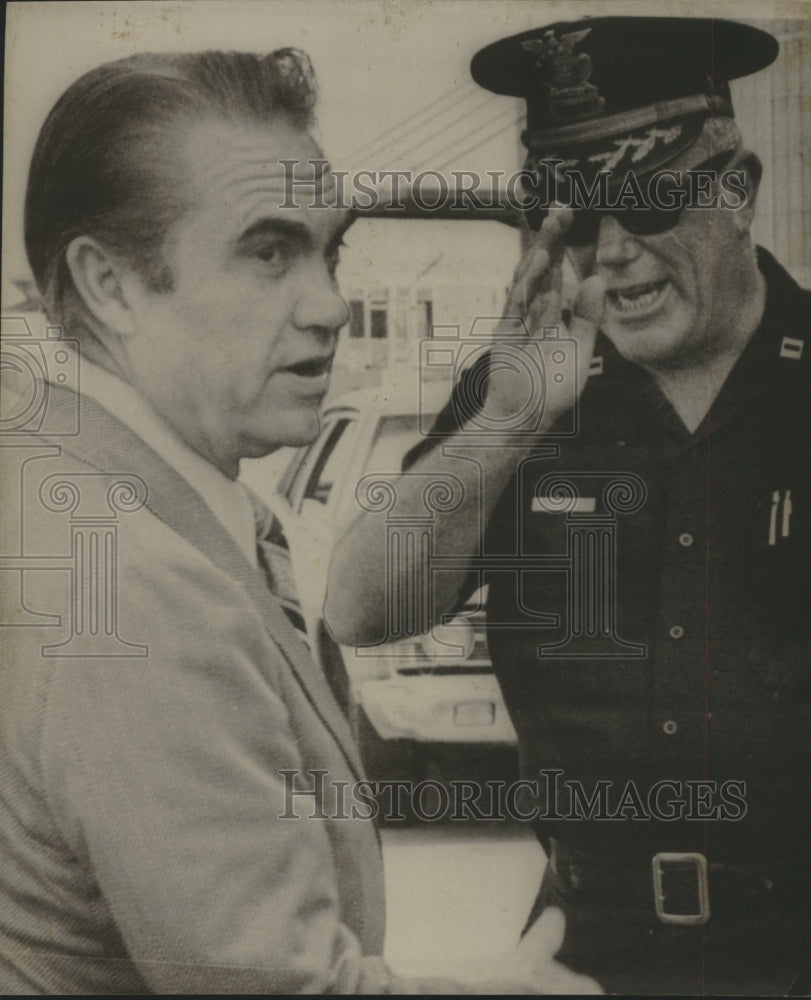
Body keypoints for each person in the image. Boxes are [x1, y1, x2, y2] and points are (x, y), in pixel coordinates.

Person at [0, 50, 601, 994]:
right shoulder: (136, 581)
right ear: (110, 284)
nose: (329, 305)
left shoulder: (70, 492)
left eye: (330, 251)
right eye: (267, 251)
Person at [325, 16, 810, 996]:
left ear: (737, 191)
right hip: (581, 952)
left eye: (648, 206)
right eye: (577, 222)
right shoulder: (525, 386)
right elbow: (362, 607)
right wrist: (503, 426)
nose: (614, 256)